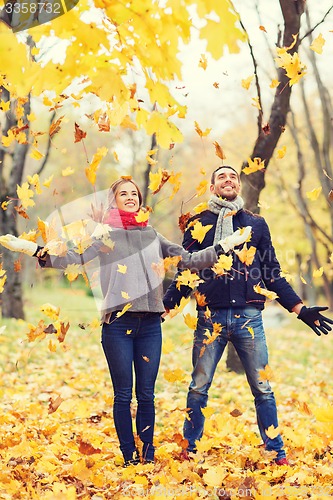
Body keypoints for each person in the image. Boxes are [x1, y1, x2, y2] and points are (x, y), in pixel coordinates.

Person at [0, 176, 251, 467]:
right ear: (114, 201)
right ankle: (129, 457)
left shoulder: (152, 235)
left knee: (146, 394)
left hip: (150, 328)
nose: (131, 197)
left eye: (134, 193)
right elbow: (74, 258)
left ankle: (147, 455)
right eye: (124, 194)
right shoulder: (105, 236)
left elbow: (190, 260)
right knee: (123, 395)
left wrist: (225, 245)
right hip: (117, 326)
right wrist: (33, 250)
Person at [163, 165, 333, 466]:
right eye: (222, 177)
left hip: (249, 319)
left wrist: (300, 309)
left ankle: (275, 450)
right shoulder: (197, 223)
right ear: (213, 187)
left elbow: (271, 273)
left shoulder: (256, 224)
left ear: (238, 185)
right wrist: (164, 309)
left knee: (263, 388)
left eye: (233, 177)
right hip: (209, 319)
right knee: (198, 386)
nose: (228, 180)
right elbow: (185, 271)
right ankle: (190, 448)